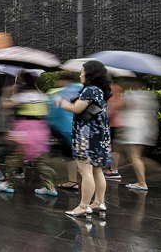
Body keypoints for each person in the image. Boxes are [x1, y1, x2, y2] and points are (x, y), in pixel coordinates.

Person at [57, 60, 112, 216]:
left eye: (82, 71)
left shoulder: (89, 90)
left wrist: (62, 102)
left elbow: (77, 108)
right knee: (97, 170)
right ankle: (99, 202)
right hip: (100, 135)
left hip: (86, 136)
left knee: (85, 171)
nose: (80, 74)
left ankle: (83, 206)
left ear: (90, 74)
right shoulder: (101, 90)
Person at [0, 70, 57, 196]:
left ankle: (9, 183)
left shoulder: (22, 95)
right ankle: (50, 186)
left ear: (22, 80)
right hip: (40, 129)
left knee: (14, 157)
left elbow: (6, 105)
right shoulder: (41, 95)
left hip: (23, 129)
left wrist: (6, 93)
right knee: (40, 160)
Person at [118, 78, 159, 191]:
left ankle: (142, 182)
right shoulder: (148, 95)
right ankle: (142, 180)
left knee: (134, 156)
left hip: (133, 128)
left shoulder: (132, 96)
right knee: (136, 156)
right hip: (143, 128)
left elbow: (121, 106)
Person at [46, 72, 82, 191]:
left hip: (64, 128)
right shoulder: (82, 89)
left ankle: (73, 181)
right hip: (79, 127)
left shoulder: (60, 93)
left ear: (64, 81)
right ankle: (72, 181)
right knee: (72, 155)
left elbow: (53, 112)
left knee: (72, 156)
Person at [104, 81, 125, 180]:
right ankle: (113, 169)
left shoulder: (108, 89)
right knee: (115, 147)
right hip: (120, 122)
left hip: (112, 123)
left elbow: (110, 110)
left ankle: (113, 170)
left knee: (112, 147)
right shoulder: (118, 88)